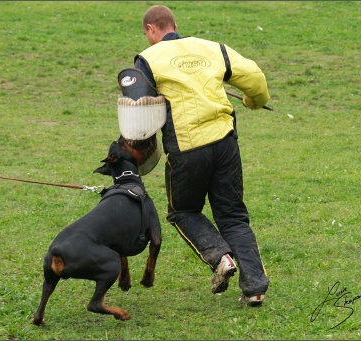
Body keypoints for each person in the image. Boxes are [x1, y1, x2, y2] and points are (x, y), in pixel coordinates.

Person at [132, 4, 270, 306]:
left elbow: (138, 105)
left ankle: (221, 258)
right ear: (174, 24)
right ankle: (255, 287)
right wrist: (252, 101)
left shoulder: (148, 59)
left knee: (182, 211)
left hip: (187, 149)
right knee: (233, 216)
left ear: (151, 30)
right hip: (224, 142)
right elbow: (255, 77)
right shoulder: (211, 48)